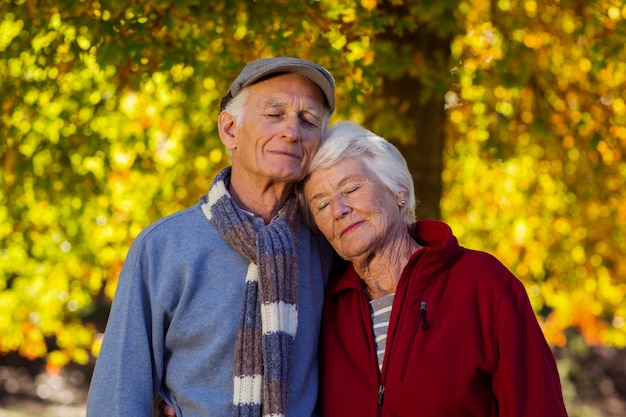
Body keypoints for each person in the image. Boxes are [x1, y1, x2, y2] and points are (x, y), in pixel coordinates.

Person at [86, 57, 336, 417]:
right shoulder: (163, 247)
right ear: (230, 129)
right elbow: (118, 397)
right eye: (274, 113)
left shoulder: (331, 246)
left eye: (308, 120)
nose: (292, 131)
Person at [298, 120, 569, 416]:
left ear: (398, 189)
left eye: (350, 188)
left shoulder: (482, 284)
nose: (339, 210)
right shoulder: (322, 308)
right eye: (322, 206)